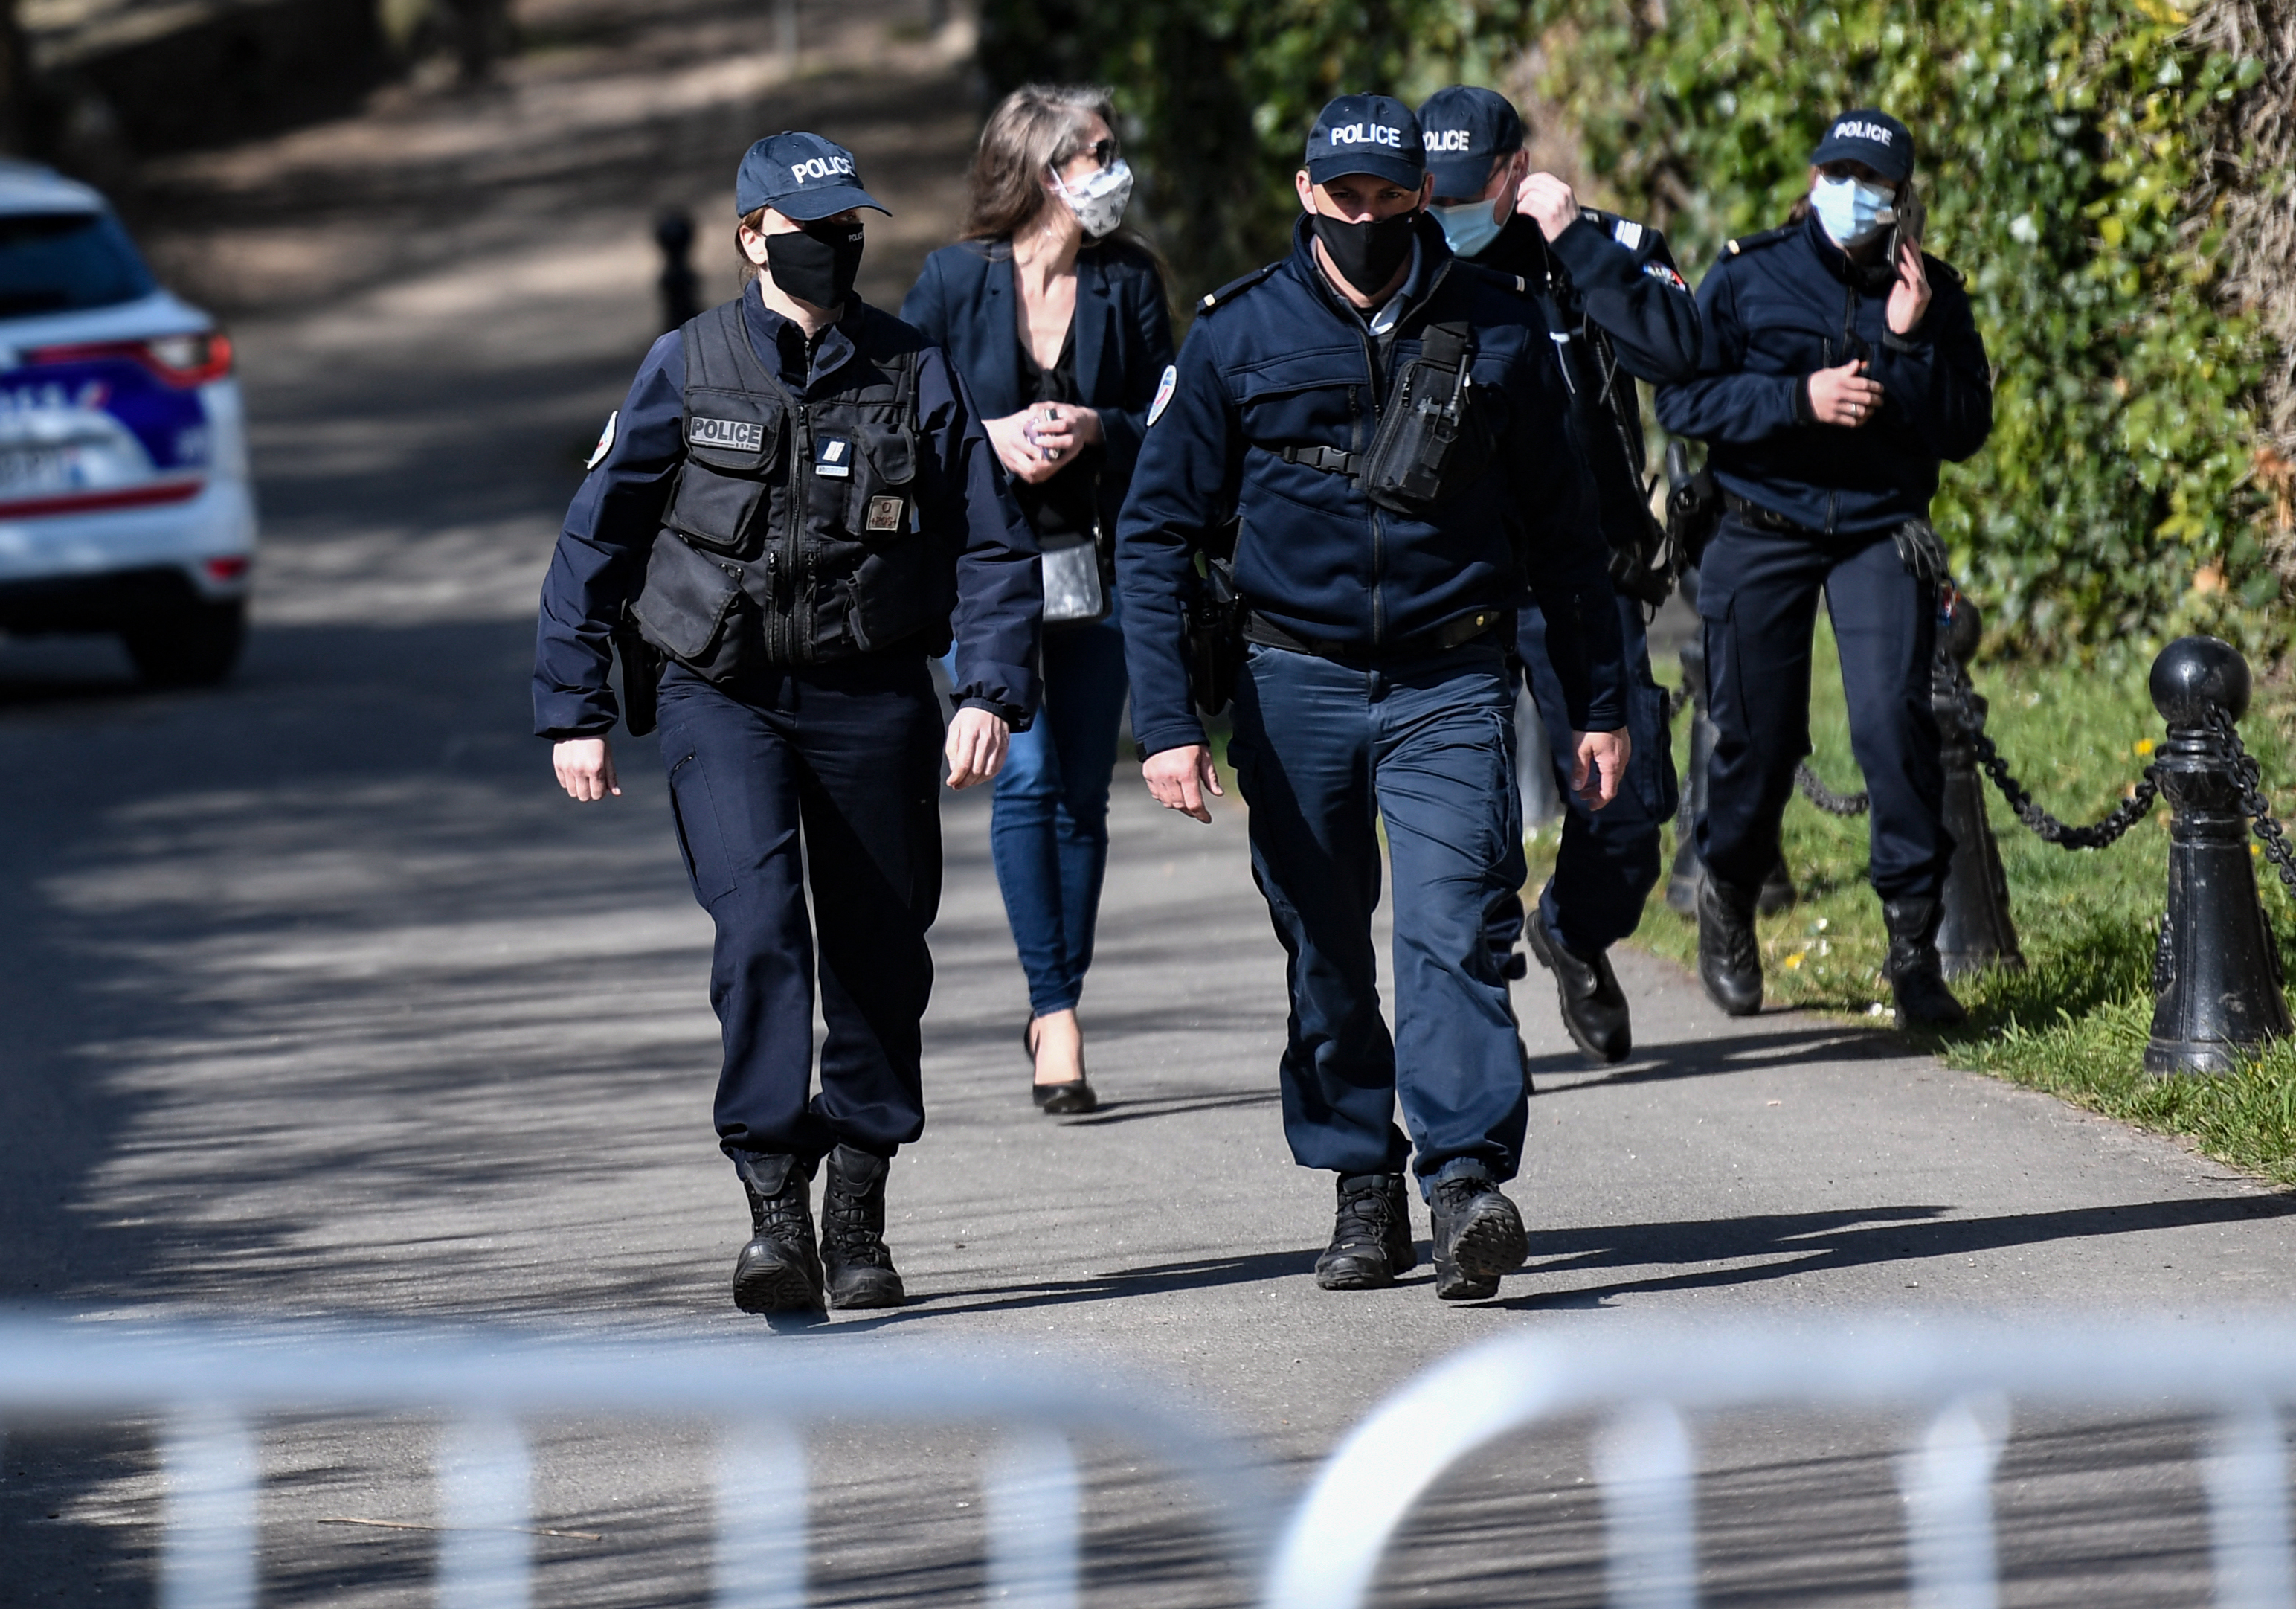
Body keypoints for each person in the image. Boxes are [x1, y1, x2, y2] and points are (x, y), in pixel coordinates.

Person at [1115, 94, 1628, 1304]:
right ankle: (1361, 1179)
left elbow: (1566, 539)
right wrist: (1169, 726)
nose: (1362, 218)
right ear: (1305, 194)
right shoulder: (1235, 337)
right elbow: (1151, 535)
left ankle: (1462, 1187)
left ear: (1416, 198)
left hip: (1448, 677)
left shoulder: (1495, 327)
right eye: (1340, 197)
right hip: (1288, 683)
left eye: (1386, 198)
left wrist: (1594, 705)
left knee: (1452, 930)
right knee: (1325, 951)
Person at [534, 130, 1041, 1315]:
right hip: (721, 691)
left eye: (847, 230)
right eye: (809, 234)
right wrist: (575, 710)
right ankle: (772, 1206)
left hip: (870, 695)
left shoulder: (910, 368)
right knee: (759, 931)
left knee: (877, 951)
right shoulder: (686, 362)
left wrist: (988, 690)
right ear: (753, 238)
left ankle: (855, 1205)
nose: (833, 250)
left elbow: (988, 541)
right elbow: (593, 540)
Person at [1653, 109, 1993, 1030]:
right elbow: (1682, 395)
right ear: (1810, 182)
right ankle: (1727, 888)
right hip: (1759, 525)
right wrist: (1794, 400)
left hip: (1878, 530)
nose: (1851, 194)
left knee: (1893, 727)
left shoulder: (1931, 291)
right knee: (1759, 743)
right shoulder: (1747, 274)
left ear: (1898, 199)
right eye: (1836, 173)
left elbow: (1963, 429)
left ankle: (1913, 953)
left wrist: (1908, 341)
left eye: (1871, 182)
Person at [1419, 85, 1714, 1067]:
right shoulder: (1403, 255)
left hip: (1582, 571)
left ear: (1516, 173)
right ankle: (1478, 1015)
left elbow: (1680, 354)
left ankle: (1573, 934)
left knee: (1625, 818)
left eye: (1472, 191)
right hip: (1452, 575)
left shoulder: (1607, 244)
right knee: (1466, 814)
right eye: (1435, 192)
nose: (1449, 211)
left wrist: (1572, 246)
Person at [901, 85, 1173, 1115]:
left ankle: (1060, 989)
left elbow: (1172, 416)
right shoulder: (948, 281)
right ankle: (1052, 1010)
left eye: (1111, 147)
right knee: (1021, 781)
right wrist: (989, 439)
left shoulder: (1126, 282)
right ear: (1038, 169)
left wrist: (1097, 428)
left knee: (1079, 793)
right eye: (1093, 151)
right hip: (987, 577)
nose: (1112, 169)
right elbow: (904, 418)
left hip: (1098, 569)